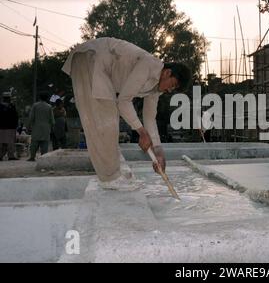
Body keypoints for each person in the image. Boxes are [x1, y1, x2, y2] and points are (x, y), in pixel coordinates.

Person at [61, 37, 191, 191]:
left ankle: (115, 168)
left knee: (109, 118)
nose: (170, 90)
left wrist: (158, 151)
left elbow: (149, 118)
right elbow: (123, 101)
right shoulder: (149, 64)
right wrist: (141, 132)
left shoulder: (156, 88)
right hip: (91, 58)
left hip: (99, 68)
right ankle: (109, 178)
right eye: (173, 85)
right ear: (167, 73)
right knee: (105, 120)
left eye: (173, 89)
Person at [27, 93, 55, 161]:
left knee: (34, 143)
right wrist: (52, 126)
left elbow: (31, 117)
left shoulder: (35, 105)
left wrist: (29, 125)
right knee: (45, 144)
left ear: (40, 98)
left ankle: (32, 157)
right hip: (46, 128)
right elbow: (52, 119)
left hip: (36, 127)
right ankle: (43, 157)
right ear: (47, 98)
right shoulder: (49, 106)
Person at [0, 92, 19, 160]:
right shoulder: (11, 106)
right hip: (10, 127)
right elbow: (15, 116)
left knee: (2, 142)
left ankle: (1, 156)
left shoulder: (1, 106)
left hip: (2, 127)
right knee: (10, 142)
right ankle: (10, 156)